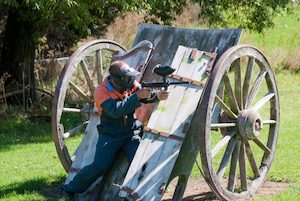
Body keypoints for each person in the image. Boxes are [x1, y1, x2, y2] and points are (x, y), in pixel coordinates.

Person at [61, 60, 168, 198]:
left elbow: (144, 97)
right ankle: (70, 188)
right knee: (99, 166)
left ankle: (141, 194)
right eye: (127, 78)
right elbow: (117, 111)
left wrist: (156, 96)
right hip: (110, 135)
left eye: (131, 77)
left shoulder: (131, 84)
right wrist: (137, 96)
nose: (131, 81)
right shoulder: (101, 91)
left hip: (130, 133)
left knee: (139, 160)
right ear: (116, 79)